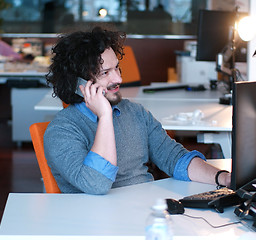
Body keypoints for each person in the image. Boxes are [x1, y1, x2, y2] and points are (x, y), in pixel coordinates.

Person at [44, 26, 230, 194]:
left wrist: (223, 178)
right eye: (105, 73)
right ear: (79, 85)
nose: (118, 79)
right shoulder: (62, 130)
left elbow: (175, 159)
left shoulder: (135, 113)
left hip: (145, 213)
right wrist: (105, 116)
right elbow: (97, 184)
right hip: (96, 225)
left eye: (117, 68)